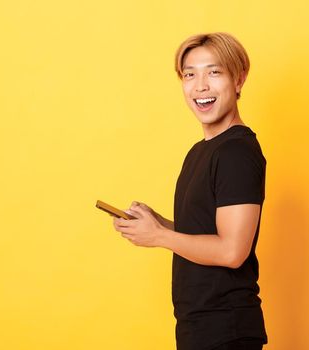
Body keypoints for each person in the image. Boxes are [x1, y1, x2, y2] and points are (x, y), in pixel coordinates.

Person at [111, 32, 268, 350]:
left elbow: (232, 252)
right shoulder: (201, 151)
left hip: (226, 329)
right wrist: (160, 224)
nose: (201, 86)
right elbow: (206, 235)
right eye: (189, 75)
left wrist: (158, 237)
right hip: (200, 328)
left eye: (214, 72)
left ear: (238, 79)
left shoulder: (237, 151)